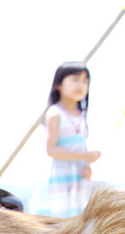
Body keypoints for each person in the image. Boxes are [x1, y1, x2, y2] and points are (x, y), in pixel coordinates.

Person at [33, 61, 101, 217]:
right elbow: (51, 149)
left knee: (76, 219)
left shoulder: (80, 116)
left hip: (77, 177)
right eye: (75, 79)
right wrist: (84, 156)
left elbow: (82, 146)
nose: (81, 85)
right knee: (57, 220)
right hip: (59, 177)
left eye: (86, 81)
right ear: (58, 84)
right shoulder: (55, 113)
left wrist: (87, 165)